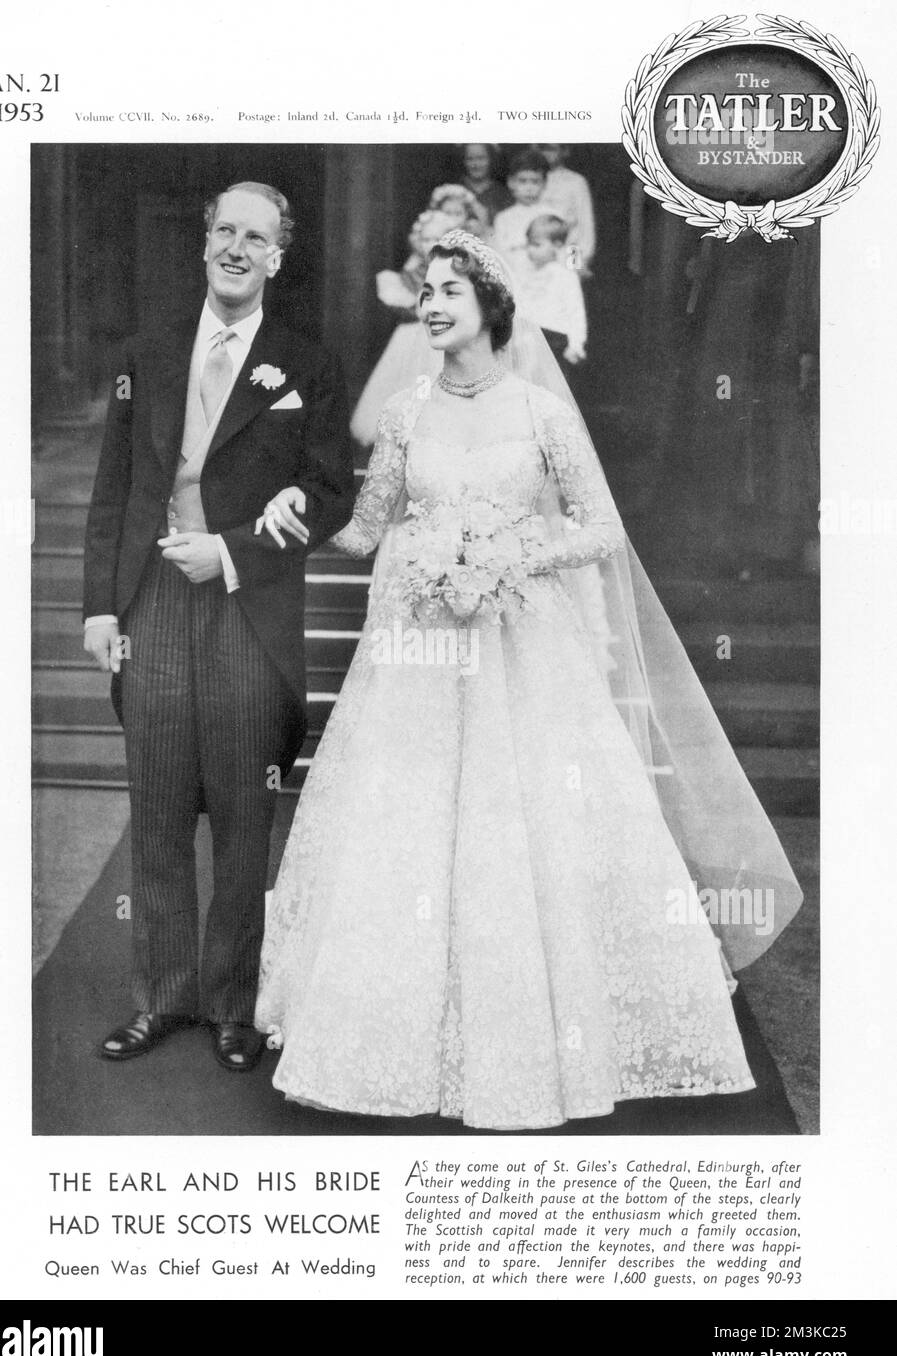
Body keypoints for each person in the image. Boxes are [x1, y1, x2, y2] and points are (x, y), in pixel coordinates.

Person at [253, 230, 802, 1130]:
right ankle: (385, 1033)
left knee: (532, 823)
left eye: (447, 294)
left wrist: (511, 548)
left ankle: (548, 1029)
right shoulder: (404, 412)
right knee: (406, 826)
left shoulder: (542, 414)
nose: (429, 306)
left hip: (521, 650)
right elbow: (365, 528)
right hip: (419, 660)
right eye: (423, 292)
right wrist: (288, 515)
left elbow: (600, 530)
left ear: (490, 309)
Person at [82, 180, 354, 1072]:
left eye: (257, 237)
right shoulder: (147, 353)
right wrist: (96, 606)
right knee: (157, 808)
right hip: (153, 601)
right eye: (224, 232)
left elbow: (327, 493)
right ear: (205, 244)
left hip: (248, 609)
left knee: (243, 816)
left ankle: (234, 1004)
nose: (237, 248)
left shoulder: (304, 364)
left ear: (279, 255)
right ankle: (161, 999)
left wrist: (233, 549)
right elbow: (113, 492)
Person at [349, 206, 458, 447]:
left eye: (438, 239)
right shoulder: (413, 268)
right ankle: (411, 428)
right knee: (412, 378)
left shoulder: (456, 270)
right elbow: (407, 301)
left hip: (444, 333)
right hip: (414, 334)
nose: (431, 245)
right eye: (426, 239)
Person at [516, 213, 588, 375]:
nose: (529, 250)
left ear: (557, 245)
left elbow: (576, 313)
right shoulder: (525, 272)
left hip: (554, 338)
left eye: (536, 245)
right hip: (528, 335)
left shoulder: (566, 276)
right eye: (528, 244)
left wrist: (576, 344)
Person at [491, 147, 560, 277]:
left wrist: (575, 269)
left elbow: (571, 246)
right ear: (511, 182)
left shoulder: (553, 214)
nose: (529, 188)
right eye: (522, 181)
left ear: (544, 183)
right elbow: (499, 255)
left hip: (547, 280)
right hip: (515, 278)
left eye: (535, 182)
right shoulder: (503, 218)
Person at [535, 143, 596, 277]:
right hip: (536, 255)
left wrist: (578, 264)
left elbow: (585, 226)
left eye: (550, 149)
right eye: (541, 148)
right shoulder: (532, 179)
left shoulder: (575, 181)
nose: (546, 154)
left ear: (564, 151)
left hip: (566, 253)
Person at [459, 143, 510, 225]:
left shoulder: (503, 194)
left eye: (481, 158)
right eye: (470, 159)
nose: (476, 164)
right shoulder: (455, 190)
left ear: (491, 159)